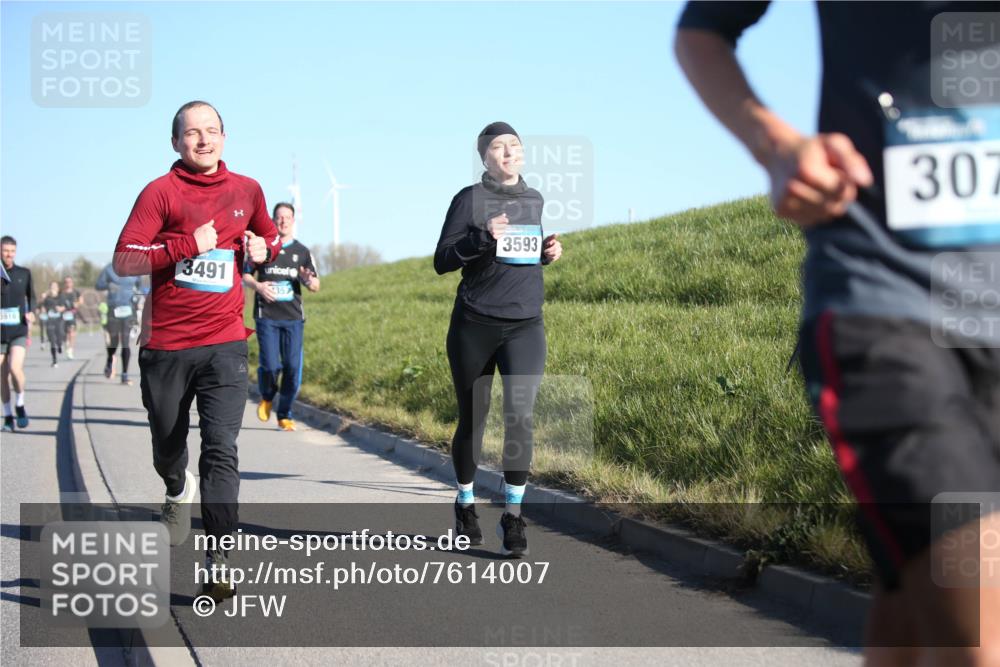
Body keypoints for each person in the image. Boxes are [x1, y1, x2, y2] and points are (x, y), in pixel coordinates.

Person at [675, 3, 999, 665]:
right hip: (889, 301)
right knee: (975, 610)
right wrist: (778, 147)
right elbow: (704, 29)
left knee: (910, 601)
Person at [113, 100, 279, 601]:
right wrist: (186, 244)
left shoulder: (247, 190)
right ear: (175, 142)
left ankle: (219, 556)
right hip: (166, 345)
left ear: (224, 138)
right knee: (168, 443)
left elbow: (267, 235)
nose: (202, 140)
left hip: (226, 341)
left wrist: (262, 249)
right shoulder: (159, 193)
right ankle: (174, 486)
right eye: (192, 133)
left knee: (221, 449)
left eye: (211, 132)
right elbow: (125, 258)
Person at [434, 122, 563, 557]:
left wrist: (545, 252)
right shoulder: (469, 199)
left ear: (523, 153)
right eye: (497, 147)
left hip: (526, 323)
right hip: (475, 323)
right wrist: (481, 235)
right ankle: (466, 503)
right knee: (474, 418)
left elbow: (522, 256)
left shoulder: (534, 199)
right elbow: (442, 260)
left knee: (520, 417)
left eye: (514, 145)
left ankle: (512, 516)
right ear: (484, 157)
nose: (507, 152)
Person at [242, 202, 320, 432]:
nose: (283, 221)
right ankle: (267, 395)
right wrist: (258, 286)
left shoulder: (303, 252)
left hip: (293, 318)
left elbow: (315, 285)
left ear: (293, 221)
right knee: (270, 365)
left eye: (287, 217)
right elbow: (244, 275)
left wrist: (307, 280)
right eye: (279, 217)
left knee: (292, 368)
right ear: (273, 220)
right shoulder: (262, 248)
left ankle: (284, 413)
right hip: (267, 316)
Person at [1, 236, 35, 432]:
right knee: (1, 376)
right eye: (5, 251)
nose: (9, 254)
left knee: (15, 368)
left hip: (18, 330)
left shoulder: (24, 273)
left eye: (12, 251)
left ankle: (20, 404)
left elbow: (32, 297)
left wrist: (31, 311)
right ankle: (7, 415)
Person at [95, 263, 141, 385]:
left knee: (125, 342)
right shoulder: (109, 269)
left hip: (128, 310)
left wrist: (136, 302)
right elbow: (98, 285)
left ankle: (125, 375)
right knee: (114, 341)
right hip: (113, 309)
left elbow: (138, 287)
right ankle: (110, 359)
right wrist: (109, 285)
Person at [40, 282, 65, 368]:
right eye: (51, 286)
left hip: (59, 321)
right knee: (52, 341)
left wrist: (60, 308)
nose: (53, 288)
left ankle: (60, 345)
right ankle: (54, 360)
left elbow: (65, 307)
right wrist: (42, 305)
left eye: (54, 286)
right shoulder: (46, 297)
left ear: (58, 288)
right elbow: (41, 306)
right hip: (50, 321)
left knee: (59, 337)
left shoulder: (61, 296)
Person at [59, 276, 81, 360]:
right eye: (66, 282)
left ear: (72, 283)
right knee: (65, 334)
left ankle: (70, 350)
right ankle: (67, 343)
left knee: (72, 332)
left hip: (72, 315)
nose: (68, 283)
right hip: (63, 315)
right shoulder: (61, 293)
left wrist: (77, 304)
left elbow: (81, 300)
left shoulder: (75, 292)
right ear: (64, 283)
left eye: (69, 282)